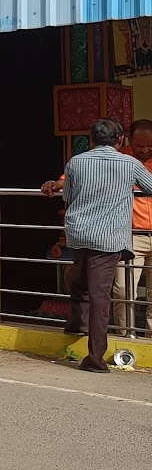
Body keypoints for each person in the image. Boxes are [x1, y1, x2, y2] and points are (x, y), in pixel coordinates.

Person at [40, 117, 152, 371]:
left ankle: (76, 325)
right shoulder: (129, 163)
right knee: (101, 295)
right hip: (108, 238)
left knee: (80, 282)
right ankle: (95, 357)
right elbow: (150, 186)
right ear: (120, 140)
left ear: (92, 139)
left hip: (79, 234)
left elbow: (69, 195)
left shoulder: (76, 162)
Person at [115, 118, 152, 335]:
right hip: (130, 237)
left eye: (150, 146)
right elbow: (85, 172)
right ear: (129, 139)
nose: (145, 150)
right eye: (140, 146)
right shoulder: (119, 159)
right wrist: (59, 183)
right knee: (123, 292)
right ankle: (124, 338)